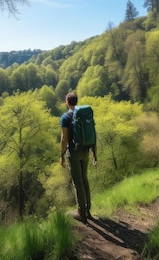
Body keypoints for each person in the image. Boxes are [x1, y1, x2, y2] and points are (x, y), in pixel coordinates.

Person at [60, 92, 97, 224]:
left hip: (74, 153)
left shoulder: (65, 117)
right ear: (76, 101)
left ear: (67, 102)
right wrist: (94, 154)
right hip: (86, 151)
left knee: (78, 183)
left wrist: (62, 155)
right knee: (85, 179)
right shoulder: (84, 115)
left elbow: (64, 139)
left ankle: (81, 213)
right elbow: (93, 133)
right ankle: (88, 209)